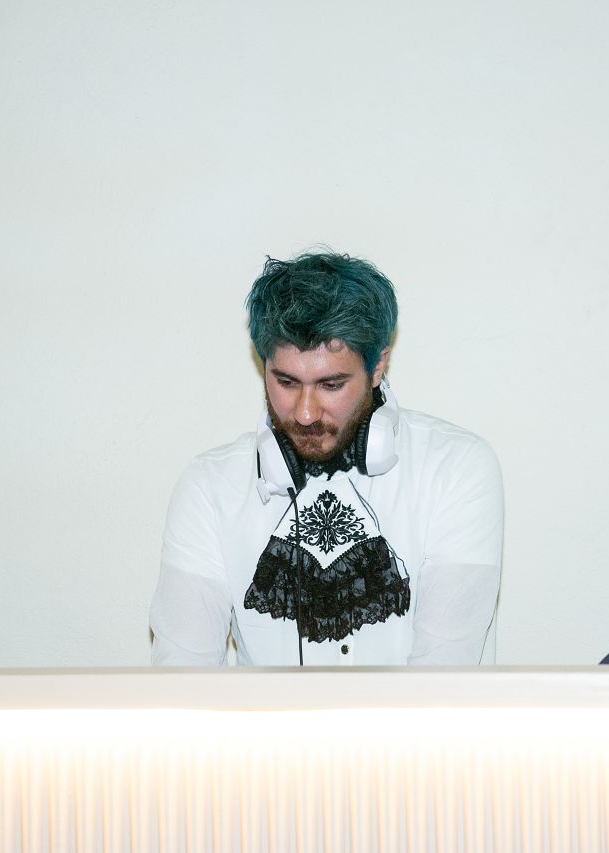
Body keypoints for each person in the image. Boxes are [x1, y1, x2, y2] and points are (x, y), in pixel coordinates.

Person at [149, 251, 503, 666]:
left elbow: (444, 675)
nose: (305, 413)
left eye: (331, 385)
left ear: (378, 366)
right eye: (286, 382)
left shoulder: (456, 468)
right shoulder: (210, 487)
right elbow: (182, 677)